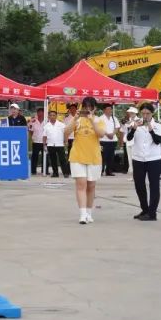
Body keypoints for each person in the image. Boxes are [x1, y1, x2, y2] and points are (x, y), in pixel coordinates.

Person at [66, 96, 105, 224]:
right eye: (86, 107)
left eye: (90, 107)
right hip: (77, 156)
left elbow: (101, 134)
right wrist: (75, 119)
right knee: (81, 184)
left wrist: (91, 119)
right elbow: (65, 133)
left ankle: (89, 212)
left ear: (95, 108)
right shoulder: (77, 120)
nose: (88, 109)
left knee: (91, 185)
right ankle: (82, 214)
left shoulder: (99, 120)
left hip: (94, 157)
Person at [128, 103, 161, 220]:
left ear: (152, 113)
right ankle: (145, 209)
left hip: (153, 159)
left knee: (154, 185)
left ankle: (152, 213)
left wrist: (151, 130)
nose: (145, 116)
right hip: (138, 158)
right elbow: (128, 138)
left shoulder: (158, 124)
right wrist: (133, 129)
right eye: (143, 113)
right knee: (139, 185)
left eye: (147, 113)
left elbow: (158, 141)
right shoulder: (136, 123)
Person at [43, 110, 68, 178]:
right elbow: (44, 136)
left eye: (54, 115)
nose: (52, 117)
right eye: (50, 115)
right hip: (50, 144)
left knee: (62, 159)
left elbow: (66, 133)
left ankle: (65, 173)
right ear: (48, 116)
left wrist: (66, 141)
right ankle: (55, 173)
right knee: (53, 160)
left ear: (56, 116)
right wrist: (44, 145)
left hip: (59, 144)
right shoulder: (46, 126)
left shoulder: (61, 125)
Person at [98, 103, 121, 177]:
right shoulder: (100, 118)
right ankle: (100, 171)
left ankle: (109, 171)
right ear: (104, 110)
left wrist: (113, 134)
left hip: (113, 140)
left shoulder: (114, 118)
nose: (110, 110)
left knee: (111, 156)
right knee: (103, 156)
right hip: (103, 140)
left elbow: (117, 127)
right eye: (108, 109)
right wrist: (107, 134)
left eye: (110, 109)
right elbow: (100, 128)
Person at [27, 107, 46, 176]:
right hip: (36, 141)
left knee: (45, 156)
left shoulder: (47, 121)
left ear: (44, 113)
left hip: (44, 142)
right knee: (35, 156)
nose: (40, 114)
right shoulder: (33, 121)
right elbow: (30, 130)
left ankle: (45, 170)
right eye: (39, 112)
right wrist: (33, 137)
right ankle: (33, 170)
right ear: (37, 113)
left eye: (42, 112)